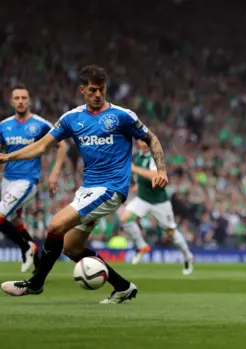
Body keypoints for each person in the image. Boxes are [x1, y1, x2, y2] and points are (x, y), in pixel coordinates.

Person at [0, 65, 169, 304]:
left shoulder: (122, 116)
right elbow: (41, 146)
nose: (98, 94)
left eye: (101, 89)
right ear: (82, 90)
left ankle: (35, 283)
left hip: (110, 188)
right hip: (88, 189)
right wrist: (8, 157)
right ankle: (123, 287)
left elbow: (151, 138)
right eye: (92, 90)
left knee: (56, 224)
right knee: (72, 249)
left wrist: (161, 169)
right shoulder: (71, 118)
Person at [0, 86, 68, 273]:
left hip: (27, 181)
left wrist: (54, 174)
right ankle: (38, 267)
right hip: (7, 180)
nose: (21, 101)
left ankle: (26, 248)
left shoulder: (40, 124)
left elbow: (62, 145)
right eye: (17, 98)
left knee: (0, 216)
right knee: (15, 223)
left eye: (24, 97)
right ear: (11, 101)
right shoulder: (4, 126)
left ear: (29, 101)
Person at [120, 139, 194, 275]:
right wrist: (138, 184)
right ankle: (142, 246)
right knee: (125, 219)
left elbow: (155, 175)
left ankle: (187, 255)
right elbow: (140, 175)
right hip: (143, 199)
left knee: (170, 233)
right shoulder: (137, 156)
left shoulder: (155, 156)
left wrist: (135, 169)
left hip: (159, 202)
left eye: (144, 139)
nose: (141, 140)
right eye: (141, 138)